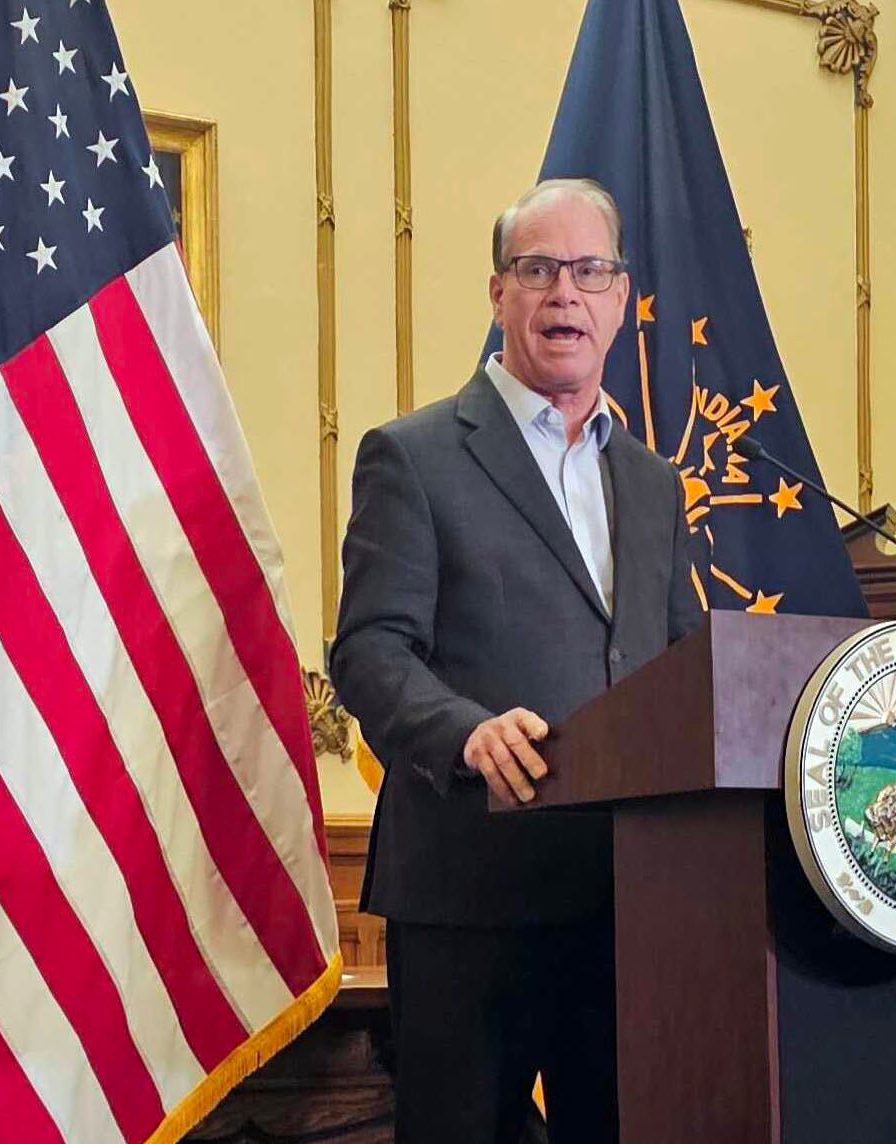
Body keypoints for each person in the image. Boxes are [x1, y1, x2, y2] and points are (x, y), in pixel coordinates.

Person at [329, 178, 704, 1143]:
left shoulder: (653, 482)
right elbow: (371, 649)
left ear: (621, 300)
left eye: (588, 271)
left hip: (628, 897)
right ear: (499, 295)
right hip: (469, 889)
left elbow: (680, 661)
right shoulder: (413, 457)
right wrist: (463, 732)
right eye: (537, 269)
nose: (563, 293)